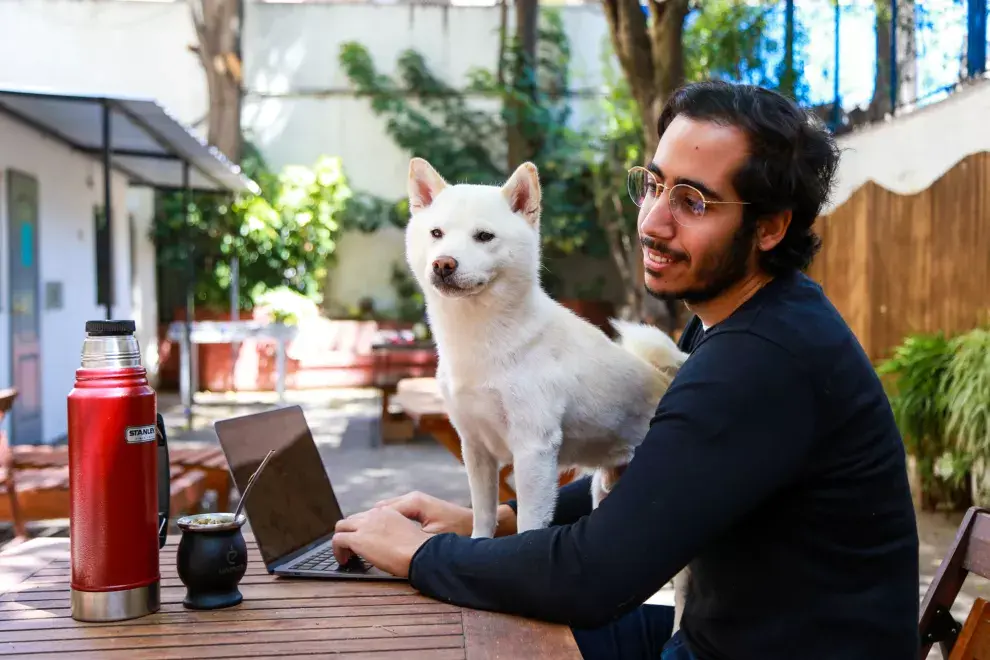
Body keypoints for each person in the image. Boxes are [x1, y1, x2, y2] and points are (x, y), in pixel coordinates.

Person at [331, 81, 921, 659]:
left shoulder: (761, 363)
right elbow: (659, 488)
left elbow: (595, 578)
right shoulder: (745, 321)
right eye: (655, 186)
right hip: (728, 629)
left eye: (693, 202)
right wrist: (491, 521)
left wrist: (418, 556)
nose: (653, 222)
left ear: (770, 227)